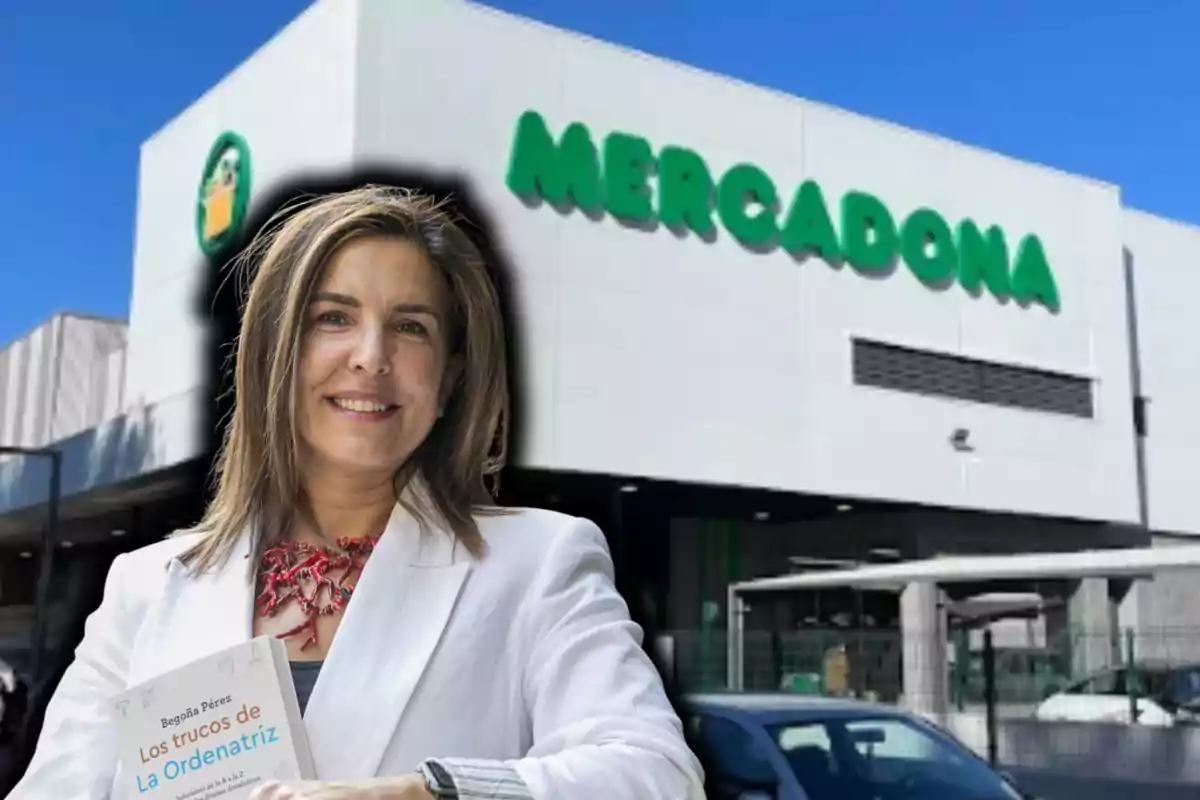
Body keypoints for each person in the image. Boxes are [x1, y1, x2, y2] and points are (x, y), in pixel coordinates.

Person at [9, 185, 705, 799]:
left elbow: (656, 774)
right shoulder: (146, 587)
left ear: (451, 376)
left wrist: (427, 794)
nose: (372, 356)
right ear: (275, 355)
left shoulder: (538, 560)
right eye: (333, 318)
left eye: (410, 327)